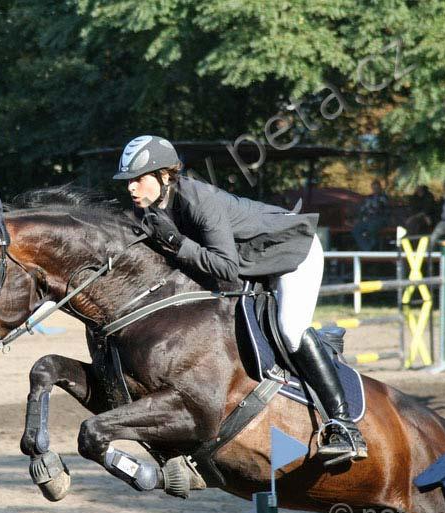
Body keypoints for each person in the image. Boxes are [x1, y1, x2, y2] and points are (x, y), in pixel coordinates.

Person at [113, 135, 367, 461]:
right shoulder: (154, 211)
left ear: (164, 176)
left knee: (290, 330)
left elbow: (226, 268)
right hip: (254, 263)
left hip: (290, 251)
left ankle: (344, 425)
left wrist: (178, 244)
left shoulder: (199, 201)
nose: (131, 187)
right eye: (128, 181)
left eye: (138, 179)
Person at [352, 180, 390, 250]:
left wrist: (370, 211)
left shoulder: (384, 197)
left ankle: (372, 247)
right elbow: (363, 209)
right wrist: (359, 218)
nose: (375, 190)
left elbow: (380, 209)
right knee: (356, 229)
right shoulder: (369, 198)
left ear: (380, 188)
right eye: (374, 188)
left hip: (380, 219)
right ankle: (367, 249)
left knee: (371, 227)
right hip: (368, 220)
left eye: (377, 188)